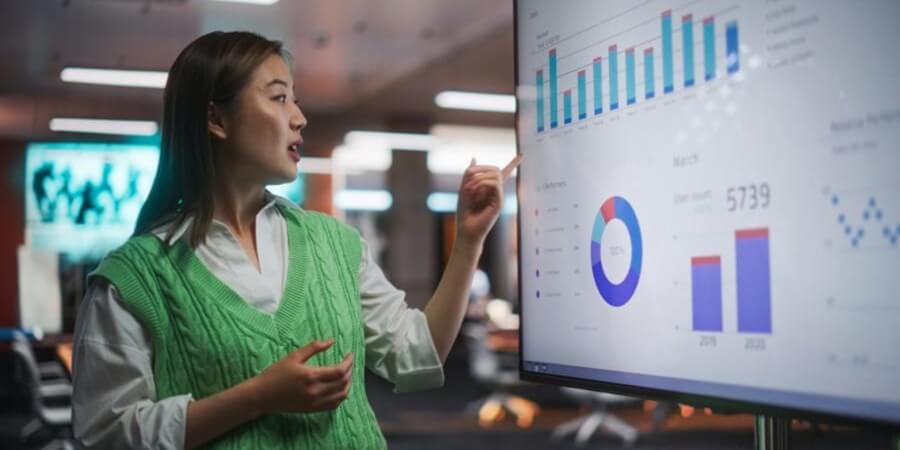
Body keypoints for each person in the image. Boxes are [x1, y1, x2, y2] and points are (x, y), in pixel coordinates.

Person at [71, 30, 521, 449]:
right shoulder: (134, 278)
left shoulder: (334, 243)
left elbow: (416, 356)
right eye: (279, 98)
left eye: (296, 100)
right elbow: (107, 434)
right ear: (215, 118)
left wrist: (468, 243)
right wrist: (257, 396)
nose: (300, 118)